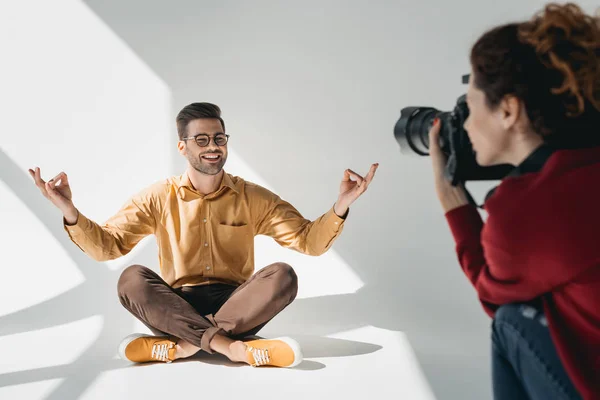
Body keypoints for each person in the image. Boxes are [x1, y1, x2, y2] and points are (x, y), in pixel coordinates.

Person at [29, 102, 378, 368]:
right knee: (131, 279)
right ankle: (234, 347)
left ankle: (182, 346)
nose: (212, 146)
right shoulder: (157, 196)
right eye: (201, 140)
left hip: (236, 305)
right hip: (176, 304)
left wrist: (341, 206)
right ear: (183, 147)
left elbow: (308, 242)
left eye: (219, 139)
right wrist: (69, 211)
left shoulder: (252, 196)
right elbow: (109, 247)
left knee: (283, 276)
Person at [428, 3, 600, 399]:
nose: (466, 124)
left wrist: (451, 199)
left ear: (508, 110)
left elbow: (492, 293)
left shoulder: (525, 211)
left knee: (510, 321)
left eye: (469, 106)